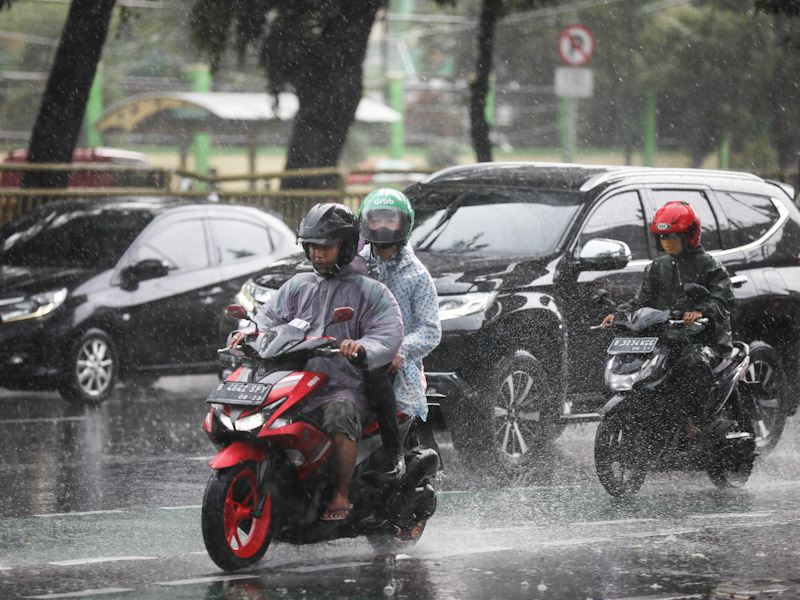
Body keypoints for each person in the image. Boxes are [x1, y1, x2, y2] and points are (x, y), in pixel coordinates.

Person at [230, 203, 403, 521]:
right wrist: (249, 334)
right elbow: (267, 318)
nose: (317, 254)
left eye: (325, 247)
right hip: (294, 381)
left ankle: (340, 493)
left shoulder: (371, 292)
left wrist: (361, 347)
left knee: (340, 415)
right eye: (311, 247)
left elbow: (387, 334)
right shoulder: (297, 286)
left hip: (343, 385)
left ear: (347, 246)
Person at [602, 200, 734, 437]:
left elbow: (723, 300)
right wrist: (619, 314)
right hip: (665, 337)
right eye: (663, 237)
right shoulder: (656, 267)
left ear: (690, 235)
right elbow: (640, 300)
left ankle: (693, 420)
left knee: (693, 362)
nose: (668, 241)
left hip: (705, 340)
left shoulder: (709, 265)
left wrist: (701, 311)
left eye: (674, 235)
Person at [358, 189, 442, 458]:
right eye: (376, 219)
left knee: (402, 449)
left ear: (405, 224)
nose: (382, 226)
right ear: (364, 222)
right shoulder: (355, 267)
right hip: (354, 359)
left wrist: (400, 352)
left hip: (399, 372)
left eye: (390, 220)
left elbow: (430, 331)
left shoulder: (417, 276)